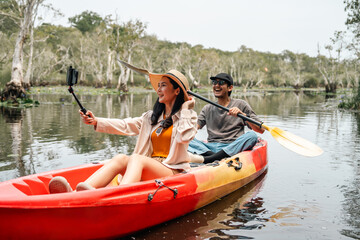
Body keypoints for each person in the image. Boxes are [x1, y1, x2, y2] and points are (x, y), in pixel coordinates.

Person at [49, 70, 197, 193]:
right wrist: (96, 121)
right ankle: (75, 193)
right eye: (158, 86)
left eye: (163, 85)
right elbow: (126, 125)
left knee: (136, 158)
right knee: (121, 158)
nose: (158, 90)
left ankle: (119, 194)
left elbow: (185, 137)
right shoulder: (151, 117)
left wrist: (185, 109)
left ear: (177, 90)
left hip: (173, 171)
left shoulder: (188, 117)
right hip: (150, 166)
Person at [187, 73, 264, 164]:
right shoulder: (207, 108)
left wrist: (243, 115)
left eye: (221, 83)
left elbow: (261, 129)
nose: (216, 85)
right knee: (182, 136)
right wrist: (187, 108)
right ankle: (216, 157)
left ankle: (209, 159)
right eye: (214, 82)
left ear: (230, 88)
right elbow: (194, 128)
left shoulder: (241, 104)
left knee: (252, 136)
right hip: (210, 147)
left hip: (232, 146)